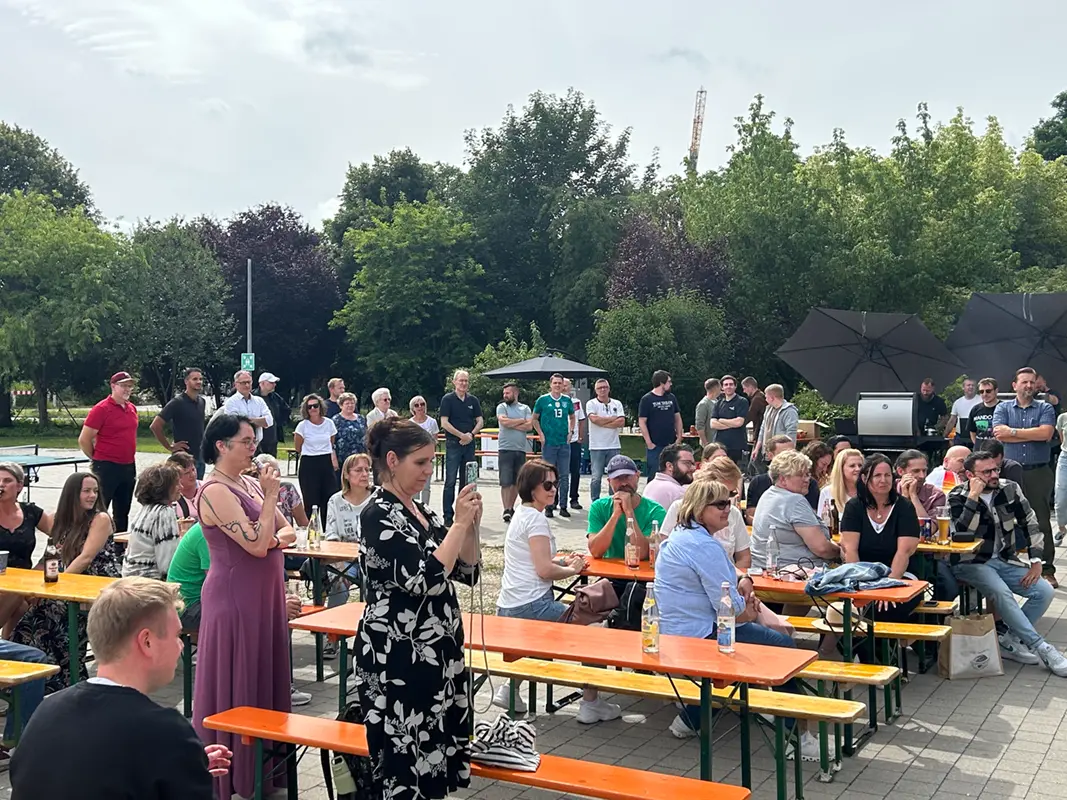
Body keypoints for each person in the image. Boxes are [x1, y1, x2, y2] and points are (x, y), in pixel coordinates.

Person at [10, 578, 233, 798]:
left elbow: (87, 772)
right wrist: (180, 759)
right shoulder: (165, 732)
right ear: (147, 642)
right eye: (176, 635)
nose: (181, 645)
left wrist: (183, 763)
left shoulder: (47, 711)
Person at [354, 418, 482, 800]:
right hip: (398, 654)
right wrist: (458, 525)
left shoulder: (421, 510)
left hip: (435, 652)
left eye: (432, 461)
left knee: (434, 747)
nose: (429, 470)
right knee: (405, 753)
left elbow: (466, 570)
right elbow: (424, 579)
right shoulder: (377, 514)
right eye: (421, 462)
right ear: (393, 460)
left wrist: (469, 526)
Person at [655, 478, 818, 758]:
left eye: (730, 502)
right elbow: (729, 608)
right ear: (699, 509)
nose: (728, 509)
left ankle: (689, 720)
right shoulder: (703, 545)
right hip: (699, 635)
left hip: (675, 632)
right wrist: (749, 609)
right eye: (720, 504)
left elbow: (728, 582)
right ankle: (797, 737)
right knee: (783, 649)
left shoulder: (681, 536)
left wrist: (743, 584)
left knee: (753, 648)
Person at [193, 413, 297, 799]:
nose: (254, 448)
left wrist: (270, 538)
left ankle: (266, 770)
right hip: (235, 597)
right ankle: (233, 773)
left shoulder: (249, 483)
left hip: (265, 595)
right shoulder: (215, 491)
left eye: (255, 441)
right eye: (247, 442)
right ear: (221, 446)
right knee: (238, 678)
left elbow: (287, 530)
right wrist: (269, 504)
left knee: (264, 673)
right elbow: (254, 544)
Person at [494, 460, 618, 722]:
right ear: (531, 488)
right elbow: (543, 571)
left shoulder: (522, 513)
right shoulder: (536, 520)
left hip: (508, 604)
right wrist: (572, 569)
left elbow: (535, 560)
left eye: (556, 484)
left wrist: (562, 561)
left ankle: (510, 688)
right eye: (547, 485)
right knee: (596, 632)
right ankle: (591, 702)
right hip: (532, 605)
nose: (554, 490)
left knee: (537, 638)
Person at [166, 521, 311, 706]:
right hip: (188, 607)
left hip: (209, 600)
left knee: (275, 614)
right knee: (264, 618)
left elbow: (287, 532)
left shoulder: (227, 529)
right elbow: (224, 587)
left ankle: (267, 685)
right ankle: (255, 688)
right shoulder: (209, 535)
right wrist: (272, 606)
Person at [948, 451, 1067, 675]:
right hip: (971, 562)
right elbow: (962, 533)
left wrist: (1036, 560)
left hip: (1004, 559)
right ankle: (1042, 647)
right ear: (970, 475)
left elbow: (1030, 523)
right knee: (1002, 593)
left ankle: (1008, 638)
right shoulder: (957, 496)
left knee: (1044, 591)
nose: (994, 475)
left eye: (996, 469)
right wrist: (973, 497)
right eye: (986, 472)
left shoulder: (1009, 488)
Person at [11, 472, 121, 690]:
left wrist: (56, 589)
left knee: (56, 616)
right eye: (86, 491)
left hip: (95, 585)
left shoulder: (100, 519)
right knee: (26, 622)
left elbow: (86, 558)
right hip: (66, 584)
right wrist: (36, 588)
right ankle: (33, 682)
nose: (92, 496)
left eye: (95, 491)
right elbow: (49, 558)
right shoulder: (60, 521)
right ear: (73, 493)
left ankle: (68, 680)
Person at [992, 366, 1058, 586]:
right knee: (1005, 520)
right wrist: (1030, 434)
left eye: (1032, 382)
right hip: (1008, 473)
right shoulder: (1002, 407)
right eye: (1024, 382)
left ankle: (1046, 569)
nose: (1029, 385)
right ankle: (1008, 564)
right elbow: (999, 434)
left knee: (1040, 521)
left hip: (1037, 472)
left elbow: (1046, 433)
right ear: (1015, 385)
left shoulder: (1045, 407)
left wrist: (1012, 432)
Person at [839, 454, 921, 621]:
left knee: (887, 606)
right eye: (877, 475)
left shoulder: (904, 507)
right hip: (863, 576)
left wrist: (887, 586)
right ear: (864, 478)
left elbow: (904, 552)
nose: (883, 480)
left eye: (887, 475)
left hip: (899, 575)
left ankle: (887, 637)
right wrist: (861, 588)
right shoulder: (854, 506)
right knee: (847, 608)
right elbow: (850, 550)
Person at [750, 450, 839, 571]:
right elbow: (822, 548)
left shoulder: (768, 495)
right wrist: (840, 551)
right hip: (796, 571)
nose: (807, 479)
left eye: (807, 474)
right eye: (801, 475)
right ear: (782, 479)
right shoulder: (794, 501)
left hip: (765, 567)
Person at [661, 457, 752, 570]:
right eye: (722, 495)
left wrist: (735, 577)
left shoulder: (733, 513)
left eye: (731, 494)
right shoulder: (679, 508)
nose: (727, 504)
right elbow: (662, 551)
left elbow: (744, 558)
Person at [79, 371, 139, 533]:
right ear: (113, 386)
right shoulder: (101, 409)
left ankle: (119, 543)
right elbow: (84, 439)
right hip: (107, 466)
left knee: (123, 511)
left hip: (128, 465)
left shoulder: (131, 408)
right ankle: (91, 541)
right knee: (99, 509)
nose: (127, 389)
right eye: (123, 386)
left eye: (129, 386)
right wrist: (97, 458)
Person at [586, 456, 666, 560]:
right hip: (609, 568)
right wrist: (615, 516)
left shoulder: (655, 511)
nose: (623, 483)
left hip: (640, 569)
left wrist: (629, 512)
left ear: (637, 476)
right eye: (618, 478)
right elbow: (596, 551)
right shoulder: (599, 507)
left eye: (628, 477)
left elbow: (642, 554)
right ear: (609, 481)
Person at [324, 453, 373, 609]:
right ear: (346, 474)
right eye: (358, 470)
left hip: (372, 559)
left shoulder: (378, 498)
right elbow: (331, 536)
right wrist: (338, 566)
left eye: (367, 469)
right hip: (344, 560)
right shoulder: (335, 501)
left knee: (372, 585)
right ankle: (332, 623)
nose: (364, 474)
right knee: (338, 584)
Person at [122, 462, 183, 580]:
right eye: (176, 483)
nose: (181, 487)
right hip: (149, 581)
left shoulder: (146, 509)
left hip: (131, 577)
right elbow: (167, 564)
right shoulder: (164, 513)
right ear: (164, 488)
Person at [439, 369, 483, 526]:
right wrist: (460, 435)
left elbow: (480, 421)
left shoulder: (473, 400)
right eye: (461, 380)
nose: (463, 383)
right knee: (450, 480)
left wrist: (470, 434)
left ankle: (464, 512)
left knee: (468, 481)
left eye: (466, 381)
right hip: (453, 443)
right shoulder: (447, 399)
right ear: (454, 382)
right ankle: (447, 516)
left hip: (469, 444)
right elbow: (444, 423)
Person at [746, 436, 820, 524]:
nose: (790, 457)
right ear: (770, 455)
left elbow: (812, 518)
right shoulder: (758, 483)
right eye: (784, 454)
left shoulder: (808, 483)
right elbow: (750, 516)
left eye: (793, 453)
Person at [151, 367, 208, 479]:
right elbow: (155, 425)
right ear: (186, 381)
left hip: (199, 457)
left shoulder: (202, 402)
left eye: (200, 379)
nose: (199, 382)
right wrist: (169, 446)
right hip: (183, 458)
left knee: (197, 488)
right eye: (195, 379)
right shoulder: (177, 402)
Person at [532, 373, 575, 518]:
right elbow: (534, 418)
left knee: (564, 475)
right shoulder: (543, 400)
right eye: (555, 383)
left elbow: (572, 416)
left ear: (563, 385)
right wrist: (540, 434)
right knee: (548, 475)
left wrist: (571, 431)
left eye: (560, 383)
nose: (557, 385)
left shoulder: (567, 400)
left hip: (563, 442)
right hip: (549, 442)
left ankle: (563, 505)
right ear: (550, 384)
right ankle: (549, 506)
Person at [294, 393, 338, 528]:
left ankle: (328, 530)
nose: (313, 409)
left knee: (328, 497)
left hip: (325, 462)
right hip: (309, 463)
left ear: (320, 406)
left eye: (315, 406)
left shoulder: (329, 423)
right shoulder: (302, 426)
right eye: (309, 407)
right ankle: (310, 530)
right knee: (311, 500)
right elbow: (298, 447)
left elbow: (331, 441)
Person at [496, 382, 532, 523]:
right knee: (505, 481)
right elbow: (504, 422)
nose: (505, 395)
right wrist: (521, 421)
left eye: (508, 393)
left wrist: (512, 423)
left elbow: (529, 426)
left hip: (520, 449)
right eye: (504, 393)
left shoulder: (525, 408)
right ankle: (506, 509)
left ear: (515, 393)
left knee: (517, 481)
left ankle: (511, 507)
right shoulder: (502, 407)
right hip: (505, 448)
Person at [585, 378, 625, 502]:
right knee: (596, 477)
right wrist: (612, 419)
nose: (603, 390)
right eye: (600, 388)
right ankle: (595, 502)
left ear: (609, 389)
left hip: (613, 445)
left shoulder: (617, 403)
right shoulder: (591, 404)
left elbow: (621, 422)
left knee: (614, 476)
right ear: (596, 390)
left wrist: (603, 422)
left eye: (605, 387)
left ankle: (613, 501)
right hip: (597, 446)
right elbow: (594, 420)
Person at [638, 370, 683, 481]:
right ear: (662, 383)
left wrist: (679, 437)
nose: (671, 384)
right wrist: (649, 443)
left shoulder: (671, 397)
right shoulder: (647, 399)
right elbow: (642, 421)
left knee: (673, 474)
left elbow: (677, 418)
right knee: (654, 475)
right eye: (669, 381)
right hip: (655, 445)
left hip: (671, 443)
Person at [220, 370, 274, 447]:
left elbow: (270, 421)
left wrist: (247, 421)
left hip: (257, 444)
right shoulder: (231, 402)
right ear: (235, 384)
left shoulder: (259, 401)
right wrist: (259, 422)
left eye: (249, 382)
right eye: (243, 383)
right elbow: (234, 425)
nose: (247, 385)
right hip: (239, 445)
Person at [752, 385, 799, 465]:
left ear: (772, 398)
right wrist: (757, 448)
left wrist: (789, 454)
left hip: (780, 454)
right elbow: (762, 429)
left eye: (766, 397)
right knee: (755, 466)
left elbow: (791, 434)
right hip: (767, 452)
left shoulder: (789, 411)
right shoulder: (768, 409)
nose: (765, 400)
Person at [709, 375, 750, 464]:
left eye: (731, 384)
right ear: (722, 387)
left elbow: (739, 422)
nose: (728, 387)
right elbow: (712, 424)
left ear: (735, 386)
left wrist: (721, 420)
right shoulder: (718, 403)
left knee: (736, 471)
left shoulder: (742, 401)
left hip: (737, 446)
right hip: (720, 446)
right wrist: (731, 424)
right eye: (726, 385)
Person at [642, 444, 697, 510]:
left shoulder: (651, 485)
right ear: (670, 466)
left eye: (693, 464)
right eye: (687, 463)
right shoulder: (678, 492)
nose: (693, 468)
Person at [894, 449, 946, 518]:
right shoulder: (888, 490)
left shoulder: (936, 495)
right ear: (900, 471)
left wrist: (913, 496)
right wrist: (905, 497)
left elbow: (928, 525)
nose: (922, 476)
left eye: (924, 471)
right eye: (916, 471)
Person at [817, 448, 865, 521]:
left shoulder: (870, 492)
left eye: (860, 465)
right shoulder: (827, 492)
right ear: (841, 469)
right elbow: (821, 522)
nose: (858, 469)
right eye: (852, 466)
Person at [409, 395, 440, 506]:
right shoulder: (409, 423)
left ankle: (425, 507)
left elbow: (435, 440)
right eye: (416, 405)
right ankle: (415, 507)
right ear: (413, 408)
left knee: (426, 486)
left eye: (422, 404)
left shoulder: (432, 422)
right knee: (414, 485)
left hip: (428, 458)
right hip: (414, 459)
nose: (420, 407)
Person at [563, 378, 587, 511]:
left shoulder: (576, 402)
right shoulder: (554, 402)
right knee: (558, 471)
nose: (564, 387)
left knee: (575, 471)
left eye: (566, 385)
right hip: (559, 441)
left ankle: (574, 498)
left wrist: (580, 436)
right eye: (562, 385)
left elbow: (581, 419)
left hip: (574, 440)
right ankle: (555, 500)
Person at [255, 372, 291, 458]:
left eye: (274, 383)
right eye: (271, 382)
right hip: (256, 438)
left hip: (272, 438)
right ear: (262, 383)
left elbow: (286, 410)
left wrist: (278, 422)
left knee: (271, 461)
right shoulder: (252, 397)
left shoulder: (275, 397)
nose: (274, 385)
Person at [333, 392, 368, 475]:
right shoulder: (335, 420)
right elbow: (331, 442)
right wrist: (333, 459)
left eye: (352, 403)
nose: (350, 405)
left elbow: (366, 436)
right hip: (343, 459)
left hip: (360, 457)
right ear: (341, 405)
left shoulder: (361, 418)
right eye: (347, 403)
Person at [946, 377, 982, 445]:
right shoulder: (957, 402)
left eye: (973, 385)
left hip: (977, 435)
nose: (971, 387)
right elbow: (952, 420)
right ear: (963, 387)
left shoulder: (982, 400)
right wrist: (945, 435)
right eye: (968, 385)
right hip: (960, 437)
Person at [168, 452, 201, 521]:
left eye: (193, 469)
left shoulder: (207, 488)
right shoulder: (169, 495)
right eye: (187, 473)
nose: (192, 475)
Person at [968, 377, 1001, 446]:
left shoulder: (1005, 408)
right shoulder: (975, 409)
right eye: (981, 392)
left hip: (1000, 450)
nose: (984, 394)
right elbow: (972, 432)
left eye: (988, 391)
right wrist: (978, 446)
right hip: (980, 450)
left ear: (996, 391)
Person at [742, 377, 768, 449]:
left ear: (750, 387)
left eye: (744, 388)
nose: (744, 391)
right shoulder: (760, 396)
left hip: (760, 432)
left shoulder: (757, 399)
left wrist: (738, 425)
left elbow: (750, 416)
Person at [694, 378, 721, 447]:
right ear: (716, 388)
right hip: (709, 442)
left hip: (719, 441)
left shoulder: (718, 402)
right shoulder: (703, 404)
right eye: (720, 387)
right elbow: (699, 425)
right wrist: (705, 443)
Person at [1057, 411, 1067, 545]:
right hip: (1065, 457)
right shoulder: (1063, 418)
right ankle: (1061, 529)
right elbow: (1062, 439)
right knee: (1060, 497)